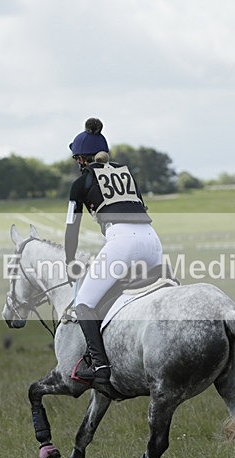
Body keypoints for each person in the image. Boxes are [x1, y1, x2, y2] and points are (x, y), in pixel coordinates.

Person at [64, 118, 163, 391]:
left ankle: (100, 366)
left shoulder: (81, 183)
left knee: (83, 302)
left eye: (76, 160)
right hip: (153, 242)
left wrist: (70, 261)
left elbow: (72, 230)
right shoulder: (128, 175)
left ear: (82, 159)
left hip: (123, 243)